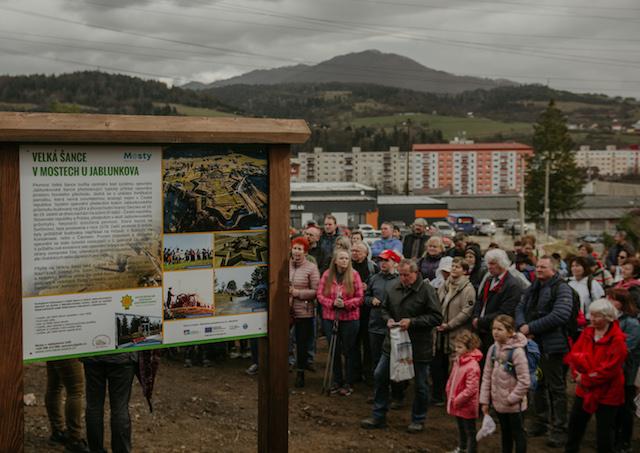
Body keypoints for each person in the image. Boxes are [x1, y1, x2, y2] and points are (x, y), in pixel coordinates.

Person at [361, 259, 443, 433]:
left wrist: (412, 322)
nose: (404, 278)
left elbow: (436, 317)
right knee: (380, 375)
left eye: (407, 275)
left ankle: (418, 419)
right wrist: (388, 319)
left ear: (416, 273)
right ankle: (378, 415)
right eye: (401, 275)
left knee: (420, 383)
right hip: (393, 342)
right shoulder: (394, 288)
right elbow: (384, 308)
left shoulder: (427, 291)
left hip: (418, 344)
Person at [515, 256, 573, 448]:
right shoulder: (533, 287)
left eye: (543, 267)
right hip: (533, 345)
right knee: (537, 385)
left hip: (553, 347)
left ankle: (559, 429)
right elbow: (520, 306)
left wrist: (530, 328)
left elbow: (560, 315)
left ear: (553, 269)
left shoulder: (562, 288)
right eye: (537, 266)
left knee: (556, 389)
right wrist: (522, 325)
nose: (538, 269)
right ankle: (540, 422)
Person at [564, 299, 628, 453]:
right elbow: (575, 354)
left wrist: (585, 378)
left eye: (597, 316)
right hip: (584, 389)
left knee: (604, 433)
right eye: (591, 315)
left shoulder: (617, 340)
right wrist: (576, 373)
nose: (592, 319)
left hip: (608, 392)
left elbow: (610, 369)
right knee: (575, 426)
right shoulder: (587, 332)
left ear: (608, 317)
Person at [480, 315, 530, 453]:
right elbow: (486, 376)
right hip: (498, 403)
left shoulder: (517, 352)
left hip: (514, 406)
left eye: (500, 329)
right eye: (494, 329)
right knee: (505, 433)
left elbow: (525, 381)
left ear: (510, 331)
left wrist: (511, 399)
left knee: (518, 434)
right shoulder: (493, 349)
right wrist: (484, 401)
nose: (495, 332)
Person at [317, 249, 364, 396]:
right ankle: (337, 380)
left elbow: (360, 297)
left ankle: (349, 382)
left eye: (346, 258)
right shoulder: (326, 275)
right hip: (330, 318)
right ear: (335, 261)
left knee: (349, 351)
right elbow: (319, 294)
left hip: (350, 318)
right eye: (341, 258)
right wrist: (331, 303)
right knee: (334, 350)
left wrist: (346, 304)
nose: (344, 260)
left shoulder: (354, 274)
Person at [432, 258, 476, 406]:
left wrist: (449, 325)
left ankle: (454, 395)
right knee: (438, 363)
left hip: (456, 332)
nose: (454, 269)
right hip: (440, 331)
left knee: (454, 365)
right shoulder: (445, 285)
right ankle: (438, 394)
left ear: (464, 271)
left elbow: (466, 311)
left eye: (458, 267)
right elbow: (438, 302)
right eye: (453, 266)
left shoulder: (468, 289)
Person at [82, 352, 138, 453]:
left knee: (94, 405)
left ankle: (95, 449)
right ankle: (121, 450)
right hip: (122, 356)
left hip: (93, 355)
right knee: (119, 407)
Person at [607, 288, 640, 453]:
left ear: (622, 303)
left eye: (613, 299)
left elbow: (626, 350)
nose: (609, 302)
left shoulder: (632, 324)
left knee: (625, 408)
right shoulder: (609, 320)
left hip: (626, 373)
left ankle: (624, 442)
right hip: (612, 371)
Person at [472, 249, 522, 356]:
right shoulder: (489, 279)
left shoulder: (512, 285)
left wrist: (480, 320)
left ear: (501, 263)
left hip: (496, 331)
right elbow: (480, 300)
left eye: (492, 264)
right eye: (488, 263)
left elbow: (505, 312)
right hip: (482, 328)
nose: (489, 267)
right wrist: (476, 316)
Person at [289, 236, 320, 388]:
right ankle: (285, 367)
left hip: (304, 311)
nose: (296, 251)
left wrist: (297, 293)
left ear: (305, 252)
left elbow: (316, 291)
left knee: (301, 343)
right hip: (286, 310)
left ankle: (300, 373)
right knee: (285, 341)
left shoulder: (311, 267)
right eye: (295, 248)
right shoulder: (285, 265)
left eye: (300, 249)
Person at [445, 330, 482, 453]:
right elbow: (452, 377)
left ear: (469, 348)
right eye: (456, 346)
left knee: (470, 431)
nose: (456, 349)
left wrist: (458, 399)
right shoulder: (458, 361)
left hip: (466, 405)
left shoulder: (472, 366)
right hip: (457, 402)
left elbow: (471, 388)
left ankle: (471, 450)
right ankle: (462, 448)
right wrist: (448, 390)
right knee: (461, 428)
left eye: (459, 347)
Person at [45, 359, 89, 452]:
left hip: (51, 347)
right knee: (75, 390)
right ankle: (74, 439)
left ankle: (58, 431)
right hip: (67, 348)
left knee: (54, 387)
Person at [351, 241, 377, 382]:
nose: (355, 253)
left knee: (368, 344)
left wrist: (369, 288)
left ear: (366, 253)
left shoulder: (372, 267)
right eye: (353, 250)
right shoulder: (347, 265)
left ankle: (368, 373)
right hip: (351, 309)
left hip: (367, 311)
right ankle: (355, 372)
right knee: (353, 343)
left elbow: (378, 286)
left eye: (358, 251)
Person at [568, 256, 604, 323]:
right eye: (572, 266)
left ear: (584, 267)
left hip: (587, 321)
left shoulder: (592, 284)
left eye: (577, 266)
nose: (574, 268)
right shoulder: (568, 282)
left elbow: (599, 303)